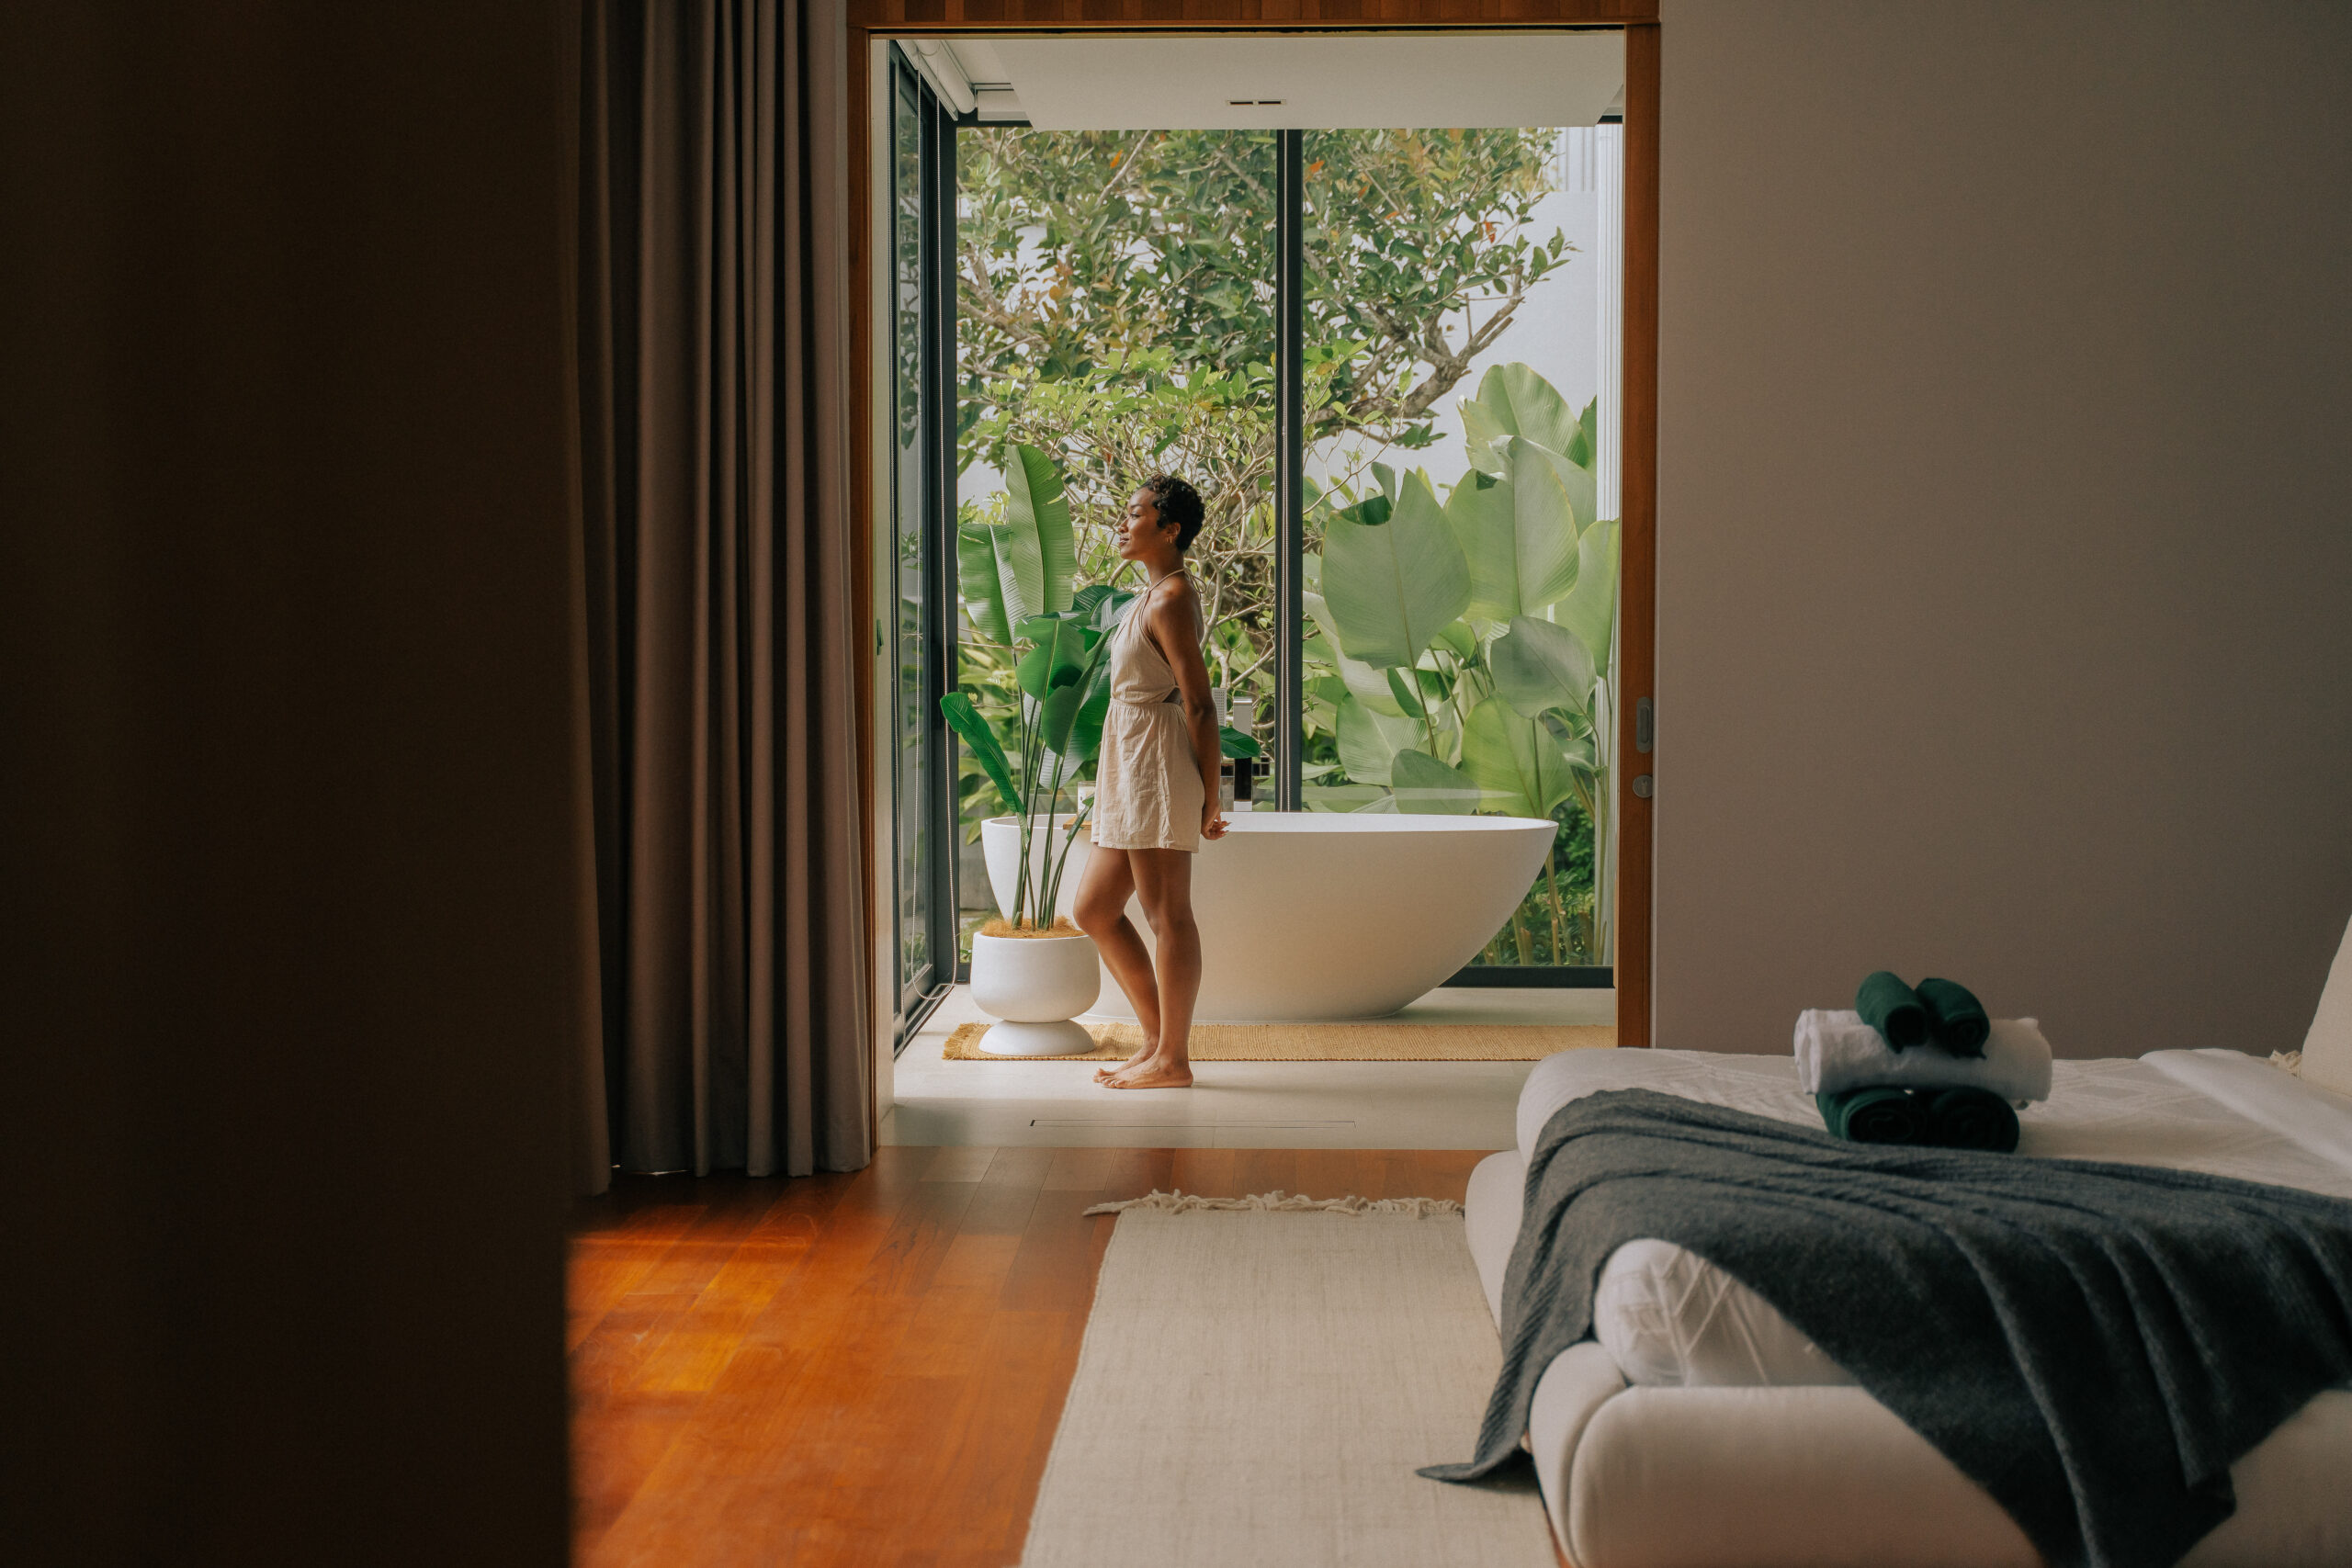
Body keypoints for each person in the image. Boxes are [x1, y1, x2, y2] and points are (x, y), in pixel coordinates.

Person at [1072, 474, 1227, 1090]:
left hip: (1156, 769)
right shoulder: (1149, 596)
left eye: (1133, 512)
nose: (1121, 521)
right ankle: (1158, 1041)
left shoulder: (1168, 600)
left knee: (1168, 915)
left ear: (1170, 529)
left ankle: (1174, 1059)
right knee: (1094, 908)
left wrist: (1213, 795)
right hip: (1130, 767)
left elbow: (1200, 703)